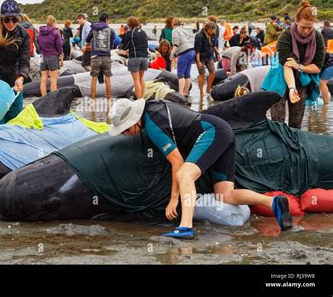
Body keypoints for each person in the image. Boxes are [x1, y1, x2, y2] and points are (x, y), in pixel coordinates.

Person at [107, 98, 292, 239]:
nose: (125, 133)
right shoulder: (153, 109)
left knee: (185, 174)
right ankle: (273, 203)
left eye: (125, 129)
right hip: (222, 131)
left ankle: (185, 227)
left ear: (134, 119)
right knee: (225, 195)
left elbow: (177, 162)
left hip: (212, 131)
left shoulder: (152, 122)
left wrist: (173, 199)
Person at [264, 0, 325, 129]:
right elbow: (287, 65)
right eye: (303, 27)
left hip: (301, 77)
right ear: (296, 21)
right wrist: (292, 88)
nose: (307, 31)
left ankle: (293, 146)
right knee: (278, 122)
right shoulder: (285, 36)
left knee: (296, 124)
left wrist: (300, 67)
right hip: (280, 76)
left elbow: (317, 68)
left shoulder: (318, 38)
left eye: (310, 27)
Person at [85, 13, 115, 107]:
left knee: (94, 79)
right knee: (108, 78)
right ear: (106, 19)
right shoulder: (110, 30)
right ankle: (109, 101)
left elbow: (87, 39)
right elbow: (113, 42)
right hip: (106, 56)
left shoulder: (93, 28)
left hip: (95, 56)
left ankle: (93, 101)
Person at [119, 16, 149, 99]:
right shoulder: (143, 32)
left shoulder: (130, 33)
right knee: (141, 79)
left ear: (129, 24)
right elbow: (144, 45)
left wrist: (120, 48)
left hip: (135, 58)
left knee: (136, 80)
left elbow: (124, 47)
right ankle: (142, 98)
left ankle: (139, 99)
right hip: (145, 58)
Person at [37, 15, 63, 96]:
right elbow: (59, 45)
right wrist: (61, 56)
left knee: (43, 80)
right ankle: (53, 99)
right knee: (53, 80)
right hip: (53, 56)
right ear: (54, 22)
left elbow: (38, 45)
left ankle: (43, 98)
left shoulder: (40, 33)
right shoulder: (56, 32)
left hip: (43, 57)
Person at [194, 21, 221, 96]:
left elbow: (214, 45)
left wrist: (218, 53)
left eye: (213, 30)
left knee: (213, 72)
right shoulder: (199, 36)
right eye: (211, 30)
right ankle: (201, 92)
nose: (212, 32)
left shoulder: (213, 34)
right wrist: (198, 61)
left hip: (209, 56)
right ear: (207, 28)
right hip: (200, 56)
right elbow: (197, 50)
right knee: (202, 74)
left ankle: (208, 89)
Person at [172, 18, 195, 96]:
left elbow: (176, 43)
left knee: (180, 74)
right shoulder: (185, 30)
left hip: (184, 53)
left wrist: (172, 53)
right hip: (192, 51)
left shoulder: (175, 31)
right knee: (187, 74)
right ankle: (186, 92)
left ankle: (180, 94)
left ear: (173, 24)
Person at [319, 21, 333, 104]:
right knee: (320, 83)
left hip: (330, 64)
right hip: (329, 63)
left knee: (322, 83)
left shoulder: (324, 43)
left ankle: (326, 105)